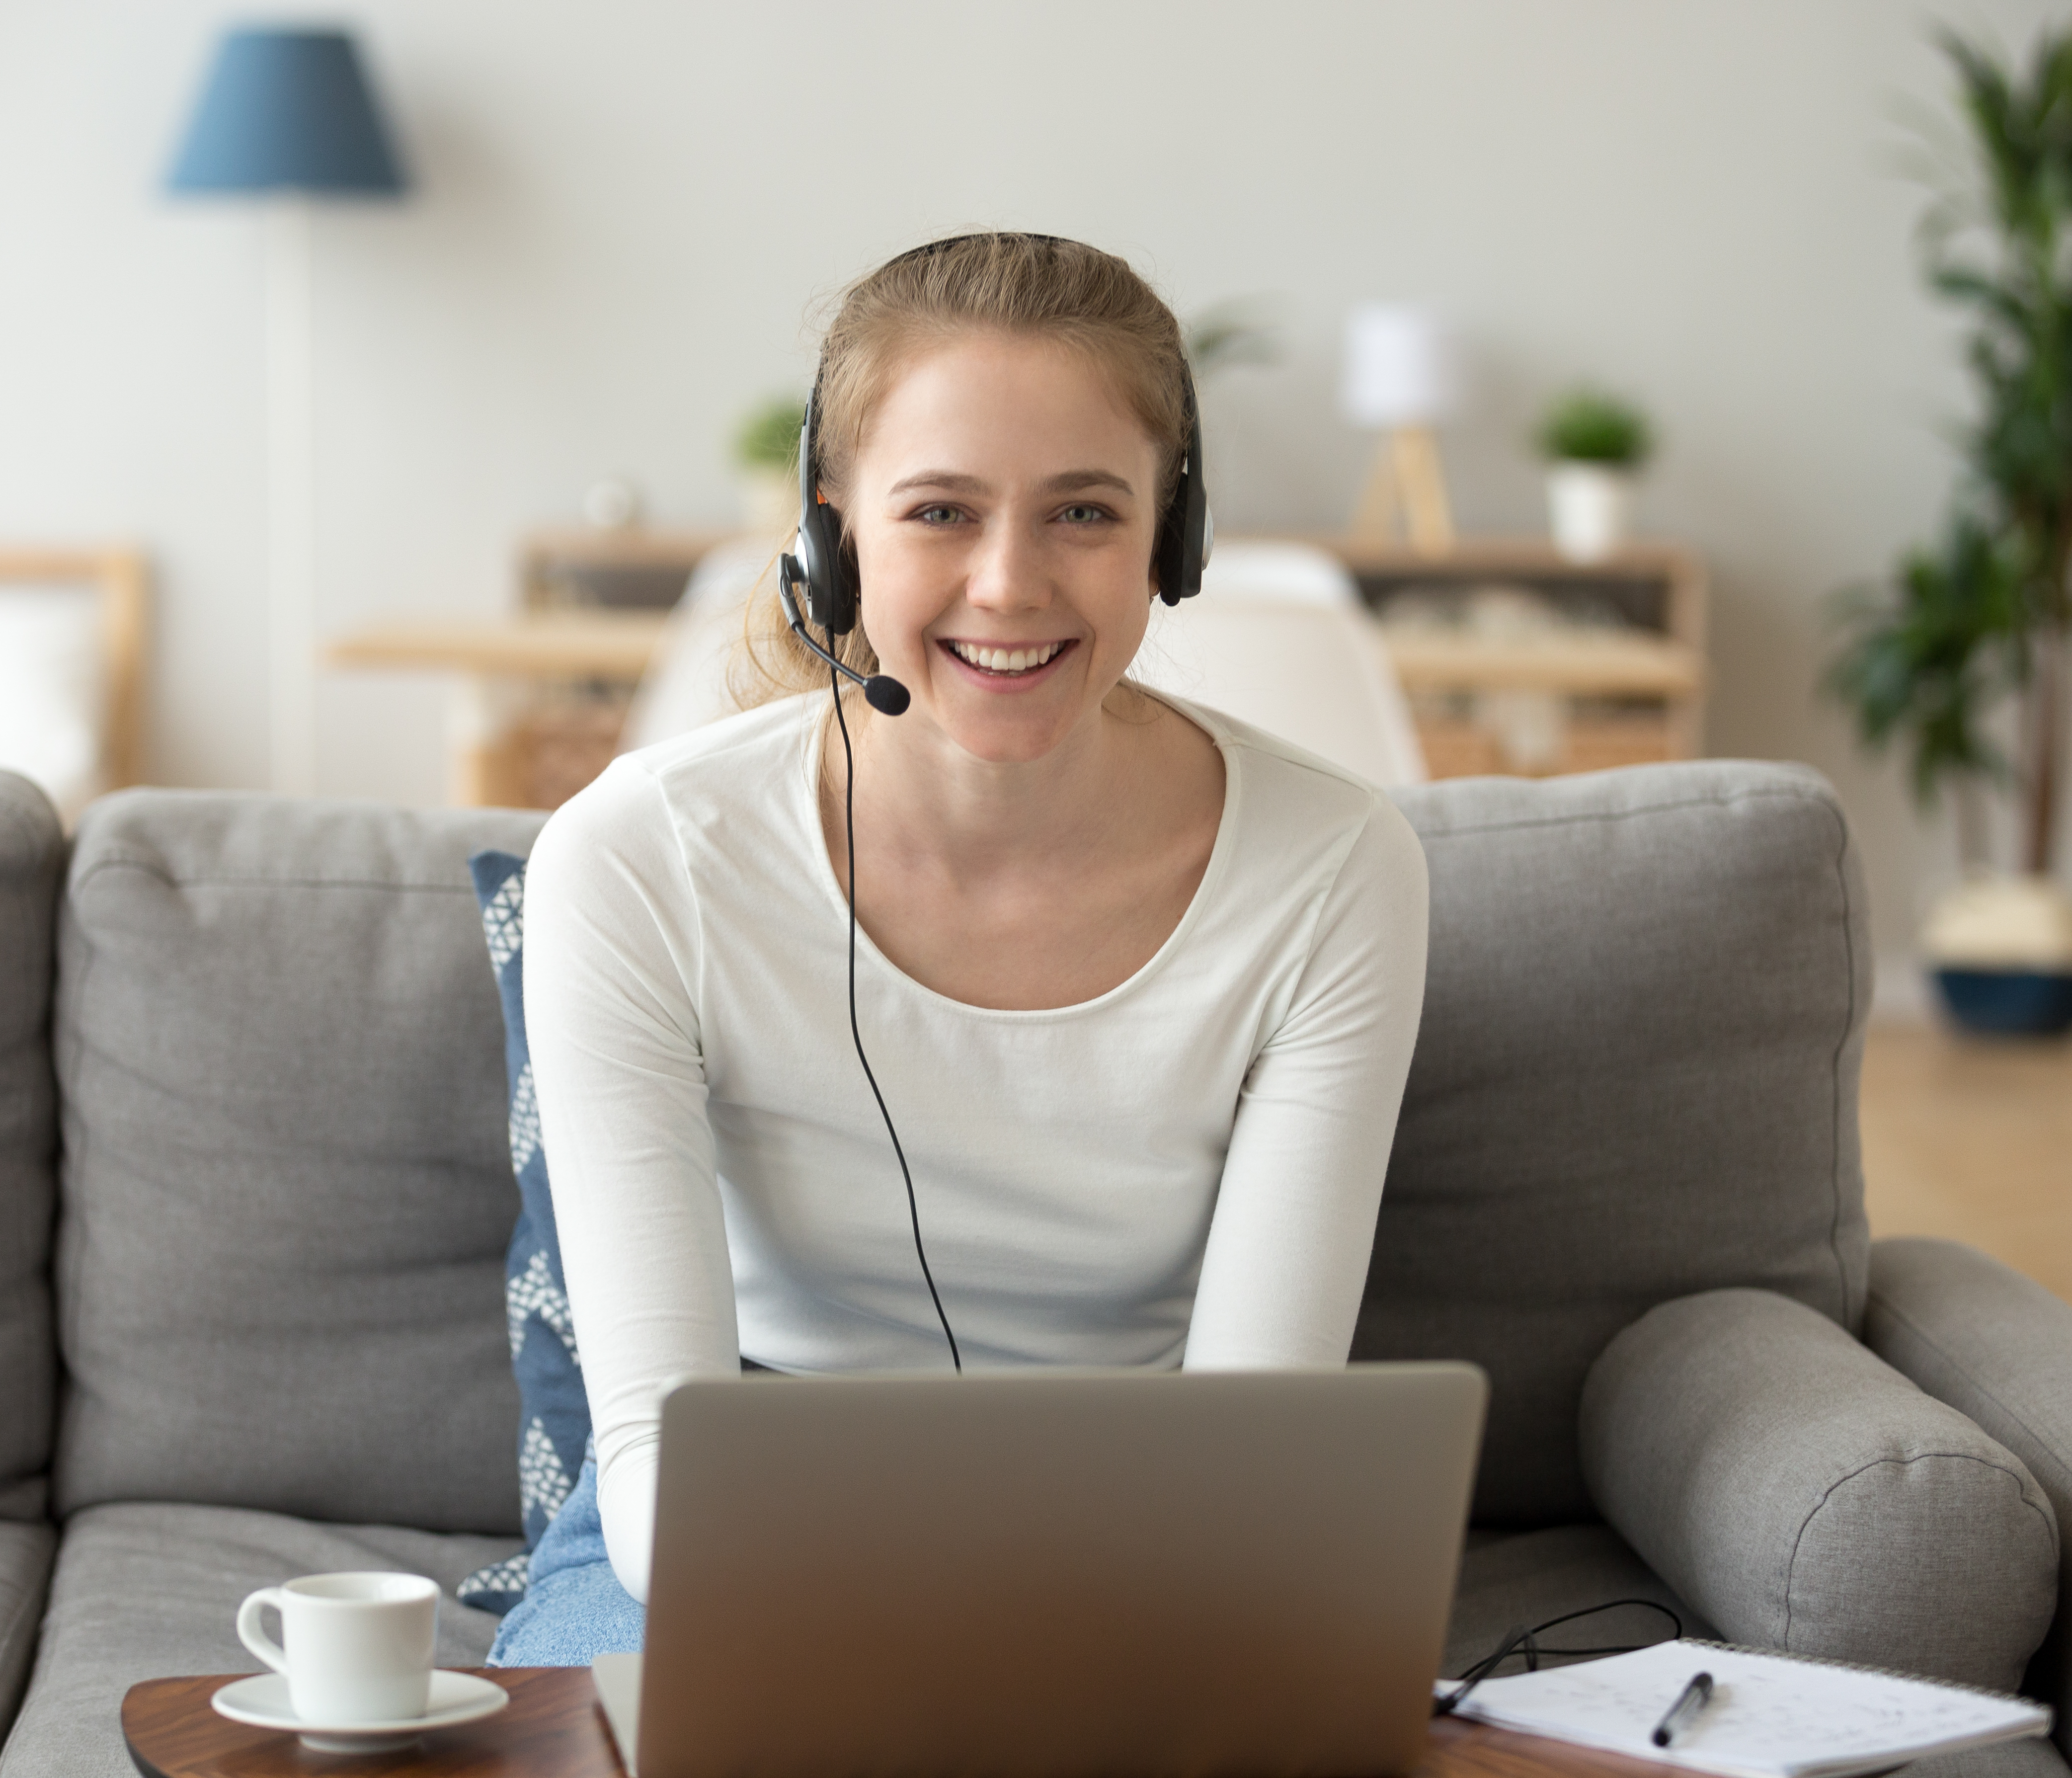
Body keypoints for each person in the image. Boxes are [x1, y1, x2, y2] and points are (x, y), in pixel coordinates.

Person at [488, 234, 1428, 1665]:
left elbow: (1253, 1457)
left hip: (1156, 1530)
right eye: (939, 510)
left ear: (1174, 539)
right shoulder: (635, 861)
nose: (1008, 583)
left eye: (1085, 513)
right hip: (723, 1536)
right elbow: (661, 1474)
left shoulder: (1334, 870)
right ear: (832, 534)